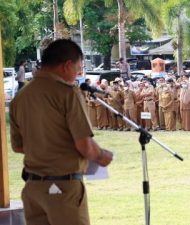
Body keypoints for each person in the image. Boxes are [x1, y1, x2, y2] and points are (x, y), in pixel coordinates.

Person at [10, 39, 113, 225]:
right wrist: (102, 155)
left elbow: (18, 146)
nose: (78, 75)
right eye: (78, 68)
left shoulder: (21, 96)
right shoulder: (67, 93)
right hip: (63, 188)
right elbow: (84, 146)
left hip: (33, 189)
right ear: (67, 65)